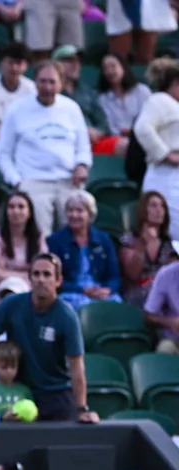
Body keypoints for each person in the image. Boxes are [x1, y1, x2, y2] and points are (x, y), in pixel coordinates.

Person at [0, 252, 99, 423]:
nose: (41, 279)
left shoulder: (66, 317)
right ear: (30, 279)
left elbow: (76, 367)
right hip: (21, 393)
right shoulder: (11, 305)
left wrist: (82, 408)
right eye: (36, 274)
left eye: (47, 274)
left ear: (58, 281)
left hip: (57, 395)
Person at [0, 61, 92, 233]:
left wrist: (82, 165)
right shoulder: (17, 109)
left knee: (75, 233)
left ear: (61, 84)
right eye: (42, 81)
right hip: (33, 182)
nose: (47, 87)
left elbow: (83, 147)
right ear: (35, 82)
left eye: (52, 82)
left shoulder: (71, 108)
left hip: (68, 182)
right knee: (41, 237)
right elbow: (3, 153)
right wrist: (17, 181)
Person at [47, 189, 123, 310]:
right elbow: (54, 279)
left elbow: (114, 276)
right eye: (70, 210)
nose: (74, 215)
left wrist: (108, 290)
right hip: (72, 293)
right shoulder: (56, 240)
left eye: (79, 211)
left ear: (90, 214)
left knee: (116, 306)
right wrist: (83, 290)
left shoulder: (103, 239)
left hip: (100, 291)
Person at [133, 58, 179, 243]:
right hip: (164, 174)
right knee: (168, 226)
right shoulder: (160, 100)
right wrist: (165, 154)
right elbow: (142, 128)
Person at [0, 191, 45, 307]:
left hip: (30, 290)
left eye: (21, 207)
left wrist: (9, 270)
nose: (16, 211)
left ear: (29, 213)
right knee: (11, 290)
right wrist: (27, 276)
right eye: (11, 207)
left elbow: (41, 269)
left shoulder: (38, 238)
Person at [121, 191, 178, 309]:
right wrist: (142, 245)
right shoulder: (129, 239)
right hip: (139, 291)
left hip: (165, 292)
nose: (159, 210)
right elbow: (133, 274)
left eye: (162, 206)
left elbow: (174, 275)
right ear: (143, 210)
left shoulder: (168, 243)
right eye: (154, 205)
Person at [97, 53, 151, 158]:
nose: (109, 71)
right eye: (105, 68)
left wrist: (135, 131)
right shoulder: (103, 99)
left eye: (113, 66)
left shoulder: (142, 91)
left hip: (144, 135)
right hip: (119, 140)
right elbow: (109, 126)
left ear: (123, 68)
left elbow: (150, 116)